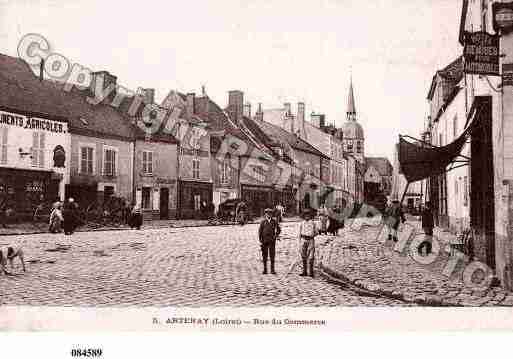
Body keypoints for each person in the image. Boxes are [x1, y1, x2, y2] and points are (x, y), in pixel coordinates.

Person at [258, 208, 281, 274]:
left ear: (271, 214)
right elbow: (260, 231)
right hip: (264, 241)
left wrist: (276, 235)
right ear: (265, 214)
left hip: (272, 241)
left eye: (270, 213)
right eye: (267, 213)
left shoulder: (274, 221)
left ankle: (272, 269)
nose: (268, 215)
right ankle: (265, 269)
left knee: (272, 255)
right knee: (264, 255)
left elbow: (279, 229)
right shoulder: (263, 222)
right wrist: (260, 240)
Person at [298, 208, 318, 277]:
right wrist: (300, 243)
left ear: (310, 216)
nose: (307, 216)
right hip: (303, 240)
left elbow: (317, 232)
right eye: (305, 215)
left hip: (311, 240)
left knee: (311, 257)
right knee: (303, 256)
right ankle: (304, 271)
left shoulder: (313, 223)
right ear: (303, 216)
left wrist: (312, 235)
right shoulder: (301, 223)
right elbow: (299, 234)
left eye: (308, 215)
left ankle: (311, 272)